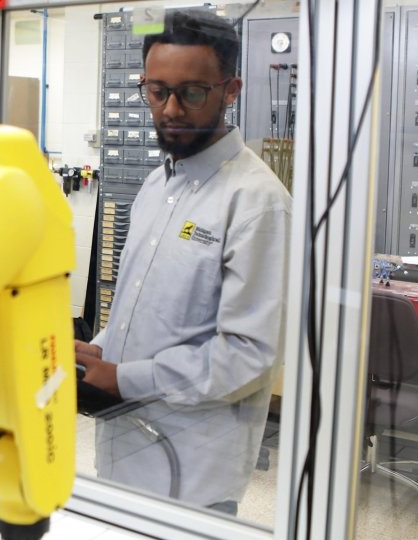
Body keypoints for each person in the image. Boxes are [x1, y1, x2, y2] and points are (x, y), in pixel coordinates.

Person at [74, 9, 291, 515]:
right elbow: (137, 309)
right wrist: (97, 353)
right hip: (124, 446)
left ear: (230, 89)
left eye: (191, 92)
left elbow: (248, 357)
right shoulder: (156, 186)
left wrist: (124, 378)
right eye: (156, 91)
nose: (170, 109)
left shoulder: (256, 201)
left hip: (194, 470)